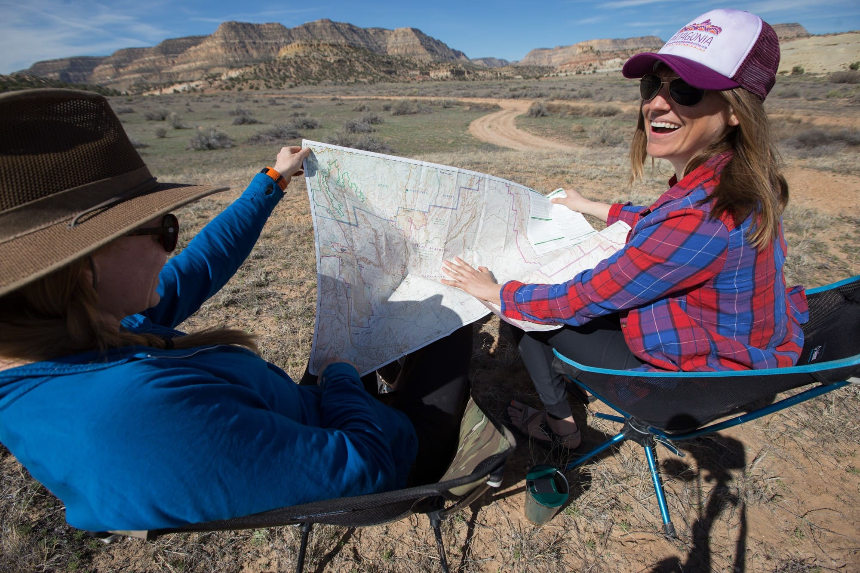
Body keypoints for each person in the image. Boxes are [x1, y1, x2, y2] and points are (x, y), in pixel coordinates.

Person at [0, 88, 471, 533]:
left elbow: (199, 266)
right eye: (164, 230)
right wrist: (342, 379)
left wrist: (272, 181)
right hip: (390, 461)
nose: (171, 248)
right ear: (84, 268)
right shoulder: (135, 415)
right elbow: (364, 467)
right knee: (452, 315)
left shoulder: (80, 328)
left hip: (311, 415)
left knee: (375, 303)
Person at [441, 9, 807, 450]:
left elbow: (581, 298)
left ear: (736, 111)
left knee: (529, 310)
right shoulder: (732, 179)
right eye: (653, 85)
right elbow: (660, 225)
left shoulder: (700, 216)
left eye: (687, 90)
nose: (655, 104)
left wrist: (497, 292)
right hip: (733, 342)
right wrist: (589, 205)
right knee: (539, 302)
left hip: (697, 371)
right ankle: (562, 396)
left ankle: (562, 430)